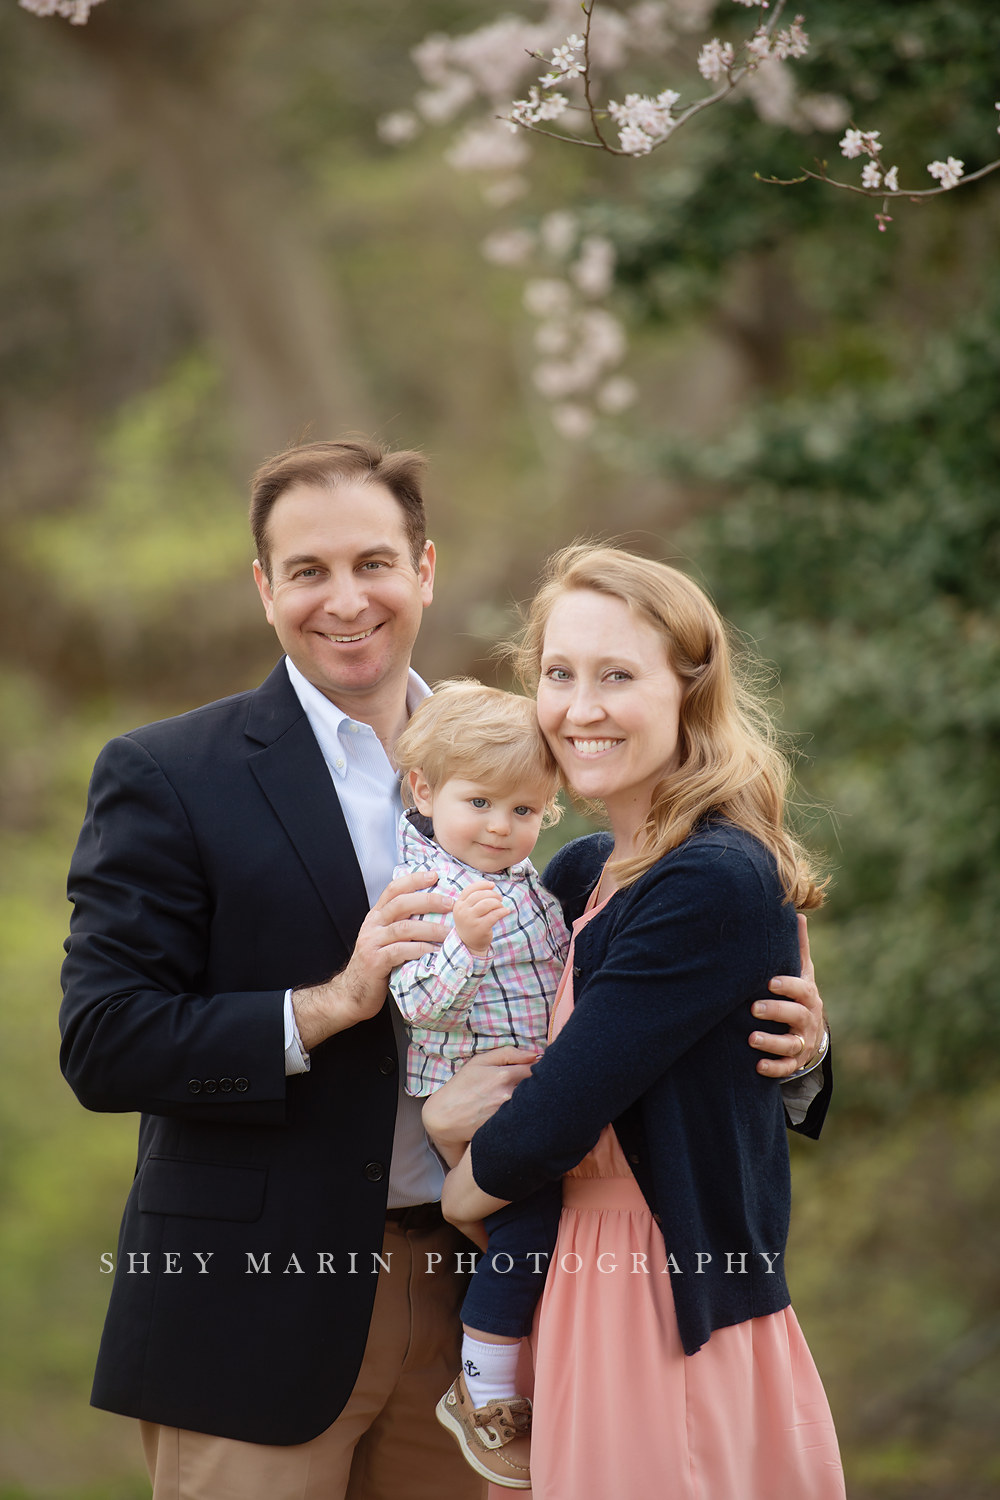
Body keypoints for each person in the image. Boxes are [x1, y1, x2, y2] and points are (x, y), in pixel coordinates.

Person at [59, 441, 829, 1500]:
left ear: (424, 570)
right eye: (307, 571)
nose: (345, 600)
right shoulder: (169, 775)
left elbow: (630, 991)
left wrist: (799, 1054)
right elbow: (104, 1043)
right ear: (263, 590)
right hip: (261, 1305)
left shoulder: (538, 768)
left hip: (501, 1290)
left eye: (373, 562)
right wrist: (333, 1004)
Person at [433, 544, 842, 1499]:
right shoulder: (575, 874)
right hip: (560, 1270)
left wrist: (466, 1184)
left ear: (689, 693)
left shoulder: (716, 873)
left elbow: (569, 1097)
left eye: (617, 675)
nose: (581, 708)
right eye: (559, 674)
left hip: (658, 1291)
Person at [390, 683, 570, 1488]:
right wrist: (462, 942)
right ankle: (485, 1389)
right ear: (425, 792)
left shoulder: (524, 874)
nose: (501, 826)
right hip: (477, 1098)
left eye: (525, 810)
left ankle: (529, 1368)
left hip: (523, 1087)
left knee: (549, 1237)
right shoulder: (429, 888)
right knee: (530, 1233)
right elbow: (415, 1000)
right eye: (481, 802)